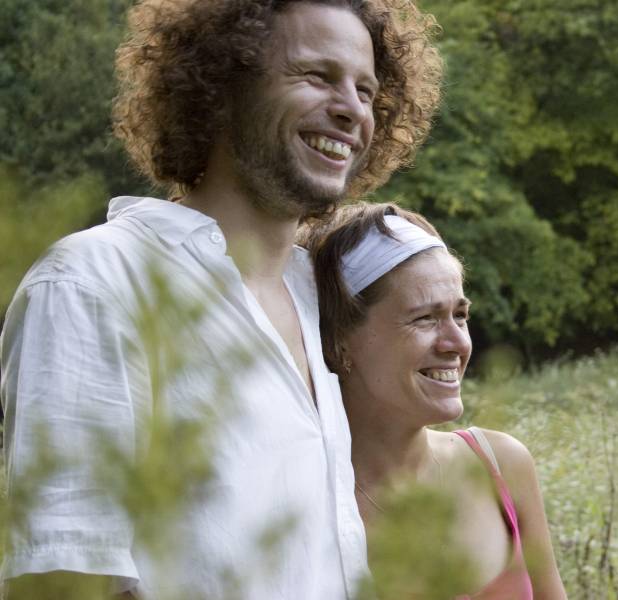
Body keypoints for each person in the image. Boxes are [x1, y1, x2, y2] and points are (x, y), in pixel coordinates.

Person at [0, 0, 442, 598]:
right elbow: (63, 575)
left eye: (366, 91)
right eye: (316, 76)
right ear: (222, 86)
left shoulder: (320, 292)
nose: (351, 110)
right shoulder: (94, 283)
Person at [298, 202, 568, 599]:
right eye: (425, 318)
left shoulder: (501, 466)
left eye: (460, 315)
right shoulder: (306, 506)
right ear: (339, 341)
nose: (458, 344)